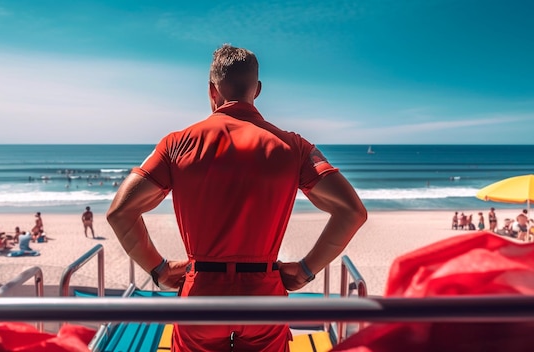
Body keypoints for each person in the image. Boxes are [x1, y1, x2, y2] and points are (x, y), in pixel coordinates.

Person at [107, 45, 367, 352]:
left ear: (211, 90)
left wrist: (159, 269)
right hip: (264, 295)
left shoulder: (177, 143)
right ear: (257, 90)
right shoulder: (293, 146)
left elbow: (120, 211)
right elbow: (352, 211)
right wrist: (304, 271)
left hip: (201, 292)